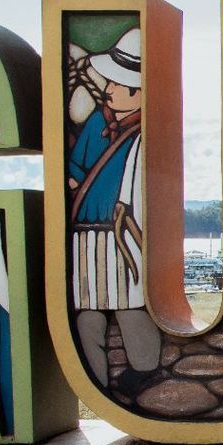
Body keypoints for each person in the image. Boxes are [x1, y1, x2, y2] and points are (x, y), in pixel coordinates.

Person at [64, 27, 162, 397]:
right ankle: (96, 381)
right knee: (87, 310)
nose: (109, 89)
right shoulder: (96, 124)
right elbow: (76, 169)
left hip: (121, 231)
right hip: (85, 233)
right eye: (110, 82)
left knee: (129, 303)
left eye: (118, 84)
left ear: (138, 93)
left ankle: (145, 368)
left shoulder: (145, 135)